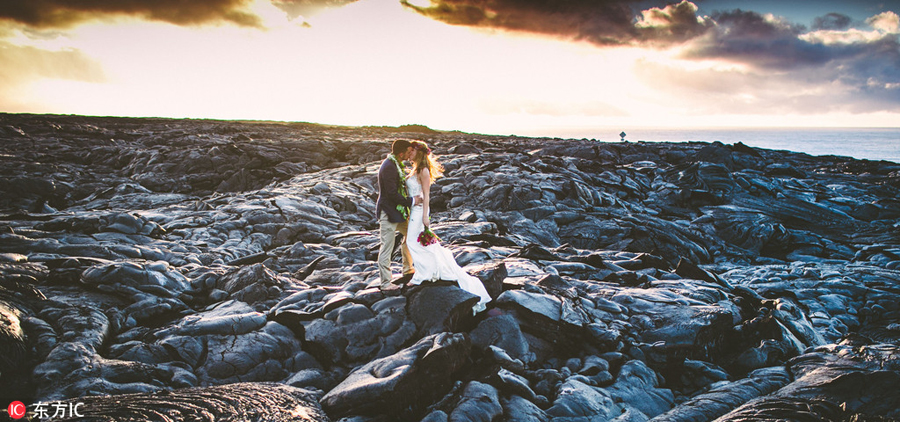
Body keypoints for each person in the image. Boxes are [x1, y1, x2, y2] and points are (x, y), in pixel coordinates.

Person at [403, 140, 491, 313]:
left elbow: (427, 196)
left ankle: (423, 274)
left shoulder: (424, 171)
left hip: (420, 212)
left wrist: (425, 217)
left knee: (413, 242)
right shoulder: (415, 169)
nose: (409, 154)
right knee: (418, 243)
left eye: (412, 152)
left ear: (418, 152)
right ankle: (429, 271)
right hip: (413, 210)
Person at [376, 139, 422, 289]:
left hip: (399, 212)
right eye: (408, 151)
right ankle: (385, 283)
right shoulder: (389, 166)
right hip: (388, 211)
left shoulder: (396, 164)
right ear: (401, 153)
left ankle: (408, 269)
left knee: (411, 235)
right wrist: (412, 201)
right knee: (387, 247)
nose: (410, 154)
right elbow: (391, 194)